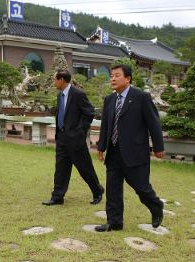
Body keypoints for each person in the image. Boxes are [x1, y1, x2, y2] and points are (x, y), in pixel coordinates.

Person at [95, 64, 164, 232]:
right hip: (114, 152)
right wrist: (101, 146)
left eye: (117, 75)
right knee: (112, 190)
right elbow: (106, 126)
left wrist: (158, 146)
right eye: (111, 76)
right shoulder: (109, 100)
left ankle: (156, 206)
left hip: (135, 152)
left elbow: (154, 123)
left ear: (128, 78)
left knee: (141, 187)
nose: (112, 79)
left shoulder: (141, 97)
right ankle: (114, 222)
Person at [42, 69, 104, 206]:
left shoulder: (78, 94)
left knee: (84, 167)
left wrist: (80, 131)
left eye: (55, 79)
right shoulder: (60, 96)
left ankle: (97, 191)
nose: (54, 82)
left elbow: (89, 112)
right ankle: (57, 197)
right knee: (61, 168)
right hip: (62, 137)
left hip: (75, 138)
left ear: (62, 80)